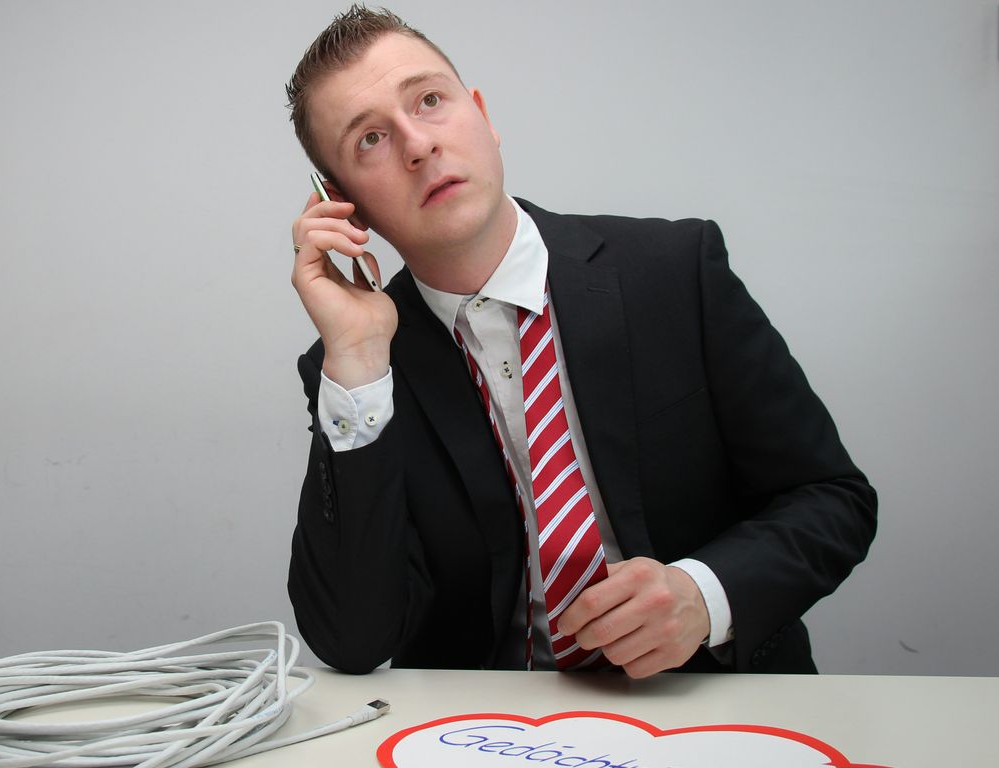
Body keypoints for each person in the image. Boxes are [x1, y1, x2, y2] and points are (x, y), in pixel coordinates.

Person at [284, 5, 876, 678]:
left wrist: (704, 596)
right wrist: (358, 360)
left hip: (713, 700)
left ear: (481, 115)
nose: (418, 144)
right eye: (370, 140)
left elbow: (832, 497)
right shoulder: (360, 367)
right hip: (494, 730)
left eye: (430, 100)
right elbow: (354, 641)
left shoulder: (676, 270)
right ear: (343, 205)